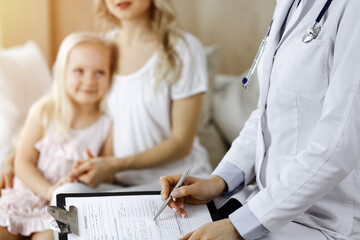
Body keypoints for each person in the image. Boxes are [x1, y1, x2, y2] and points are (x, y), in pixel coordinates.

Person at [160, 0, 360, 239]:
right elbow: (265, 113)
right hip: (267, 206)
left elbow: (337, 148)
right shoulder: (289, 4)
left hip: (323, 221)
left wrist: (238, 226)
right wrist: (219, 181)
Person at [55, 0, 211, 194]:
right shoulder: (102, 47)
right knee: (64, 194)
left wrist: (114, 165)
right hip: (118, 185)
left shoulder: (183, 49)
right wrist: (15, 159)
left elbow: (181, 143)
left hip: (177, 185)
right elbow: (62, 103)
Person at [0, 31, 117, 240]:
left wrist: (93, 174)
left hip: (62, 207)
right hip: (26, 196)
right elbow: (23, 162)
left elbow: (108, 174)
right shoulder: (45, 111)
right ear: (63, 72)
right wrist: (50, 190)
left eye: (99, 72)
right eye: (79, 71)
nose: (89, 80)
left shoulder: (106, 125)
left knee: (47, 238)